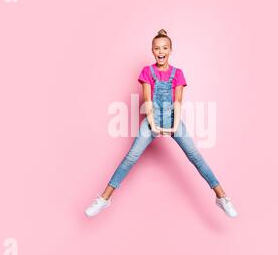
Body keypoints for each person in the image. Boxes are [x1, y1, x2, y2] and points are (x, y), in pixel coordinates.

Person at [85, 29, 237, 218]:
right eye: (157, 48)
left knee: (195, 157)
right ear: (152, 51)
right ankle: (104, 199)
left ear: (170, 50)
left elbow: (178, 102)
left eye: (164, 48)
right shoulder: (147, 72)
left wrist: (174, 126)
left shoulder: (178, 74)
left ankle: (222, 198)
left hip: (173, 119)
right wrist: (153, 124)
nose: (160, 51)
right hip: (152, 120)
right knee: (131, 157)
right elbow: (147, 100)